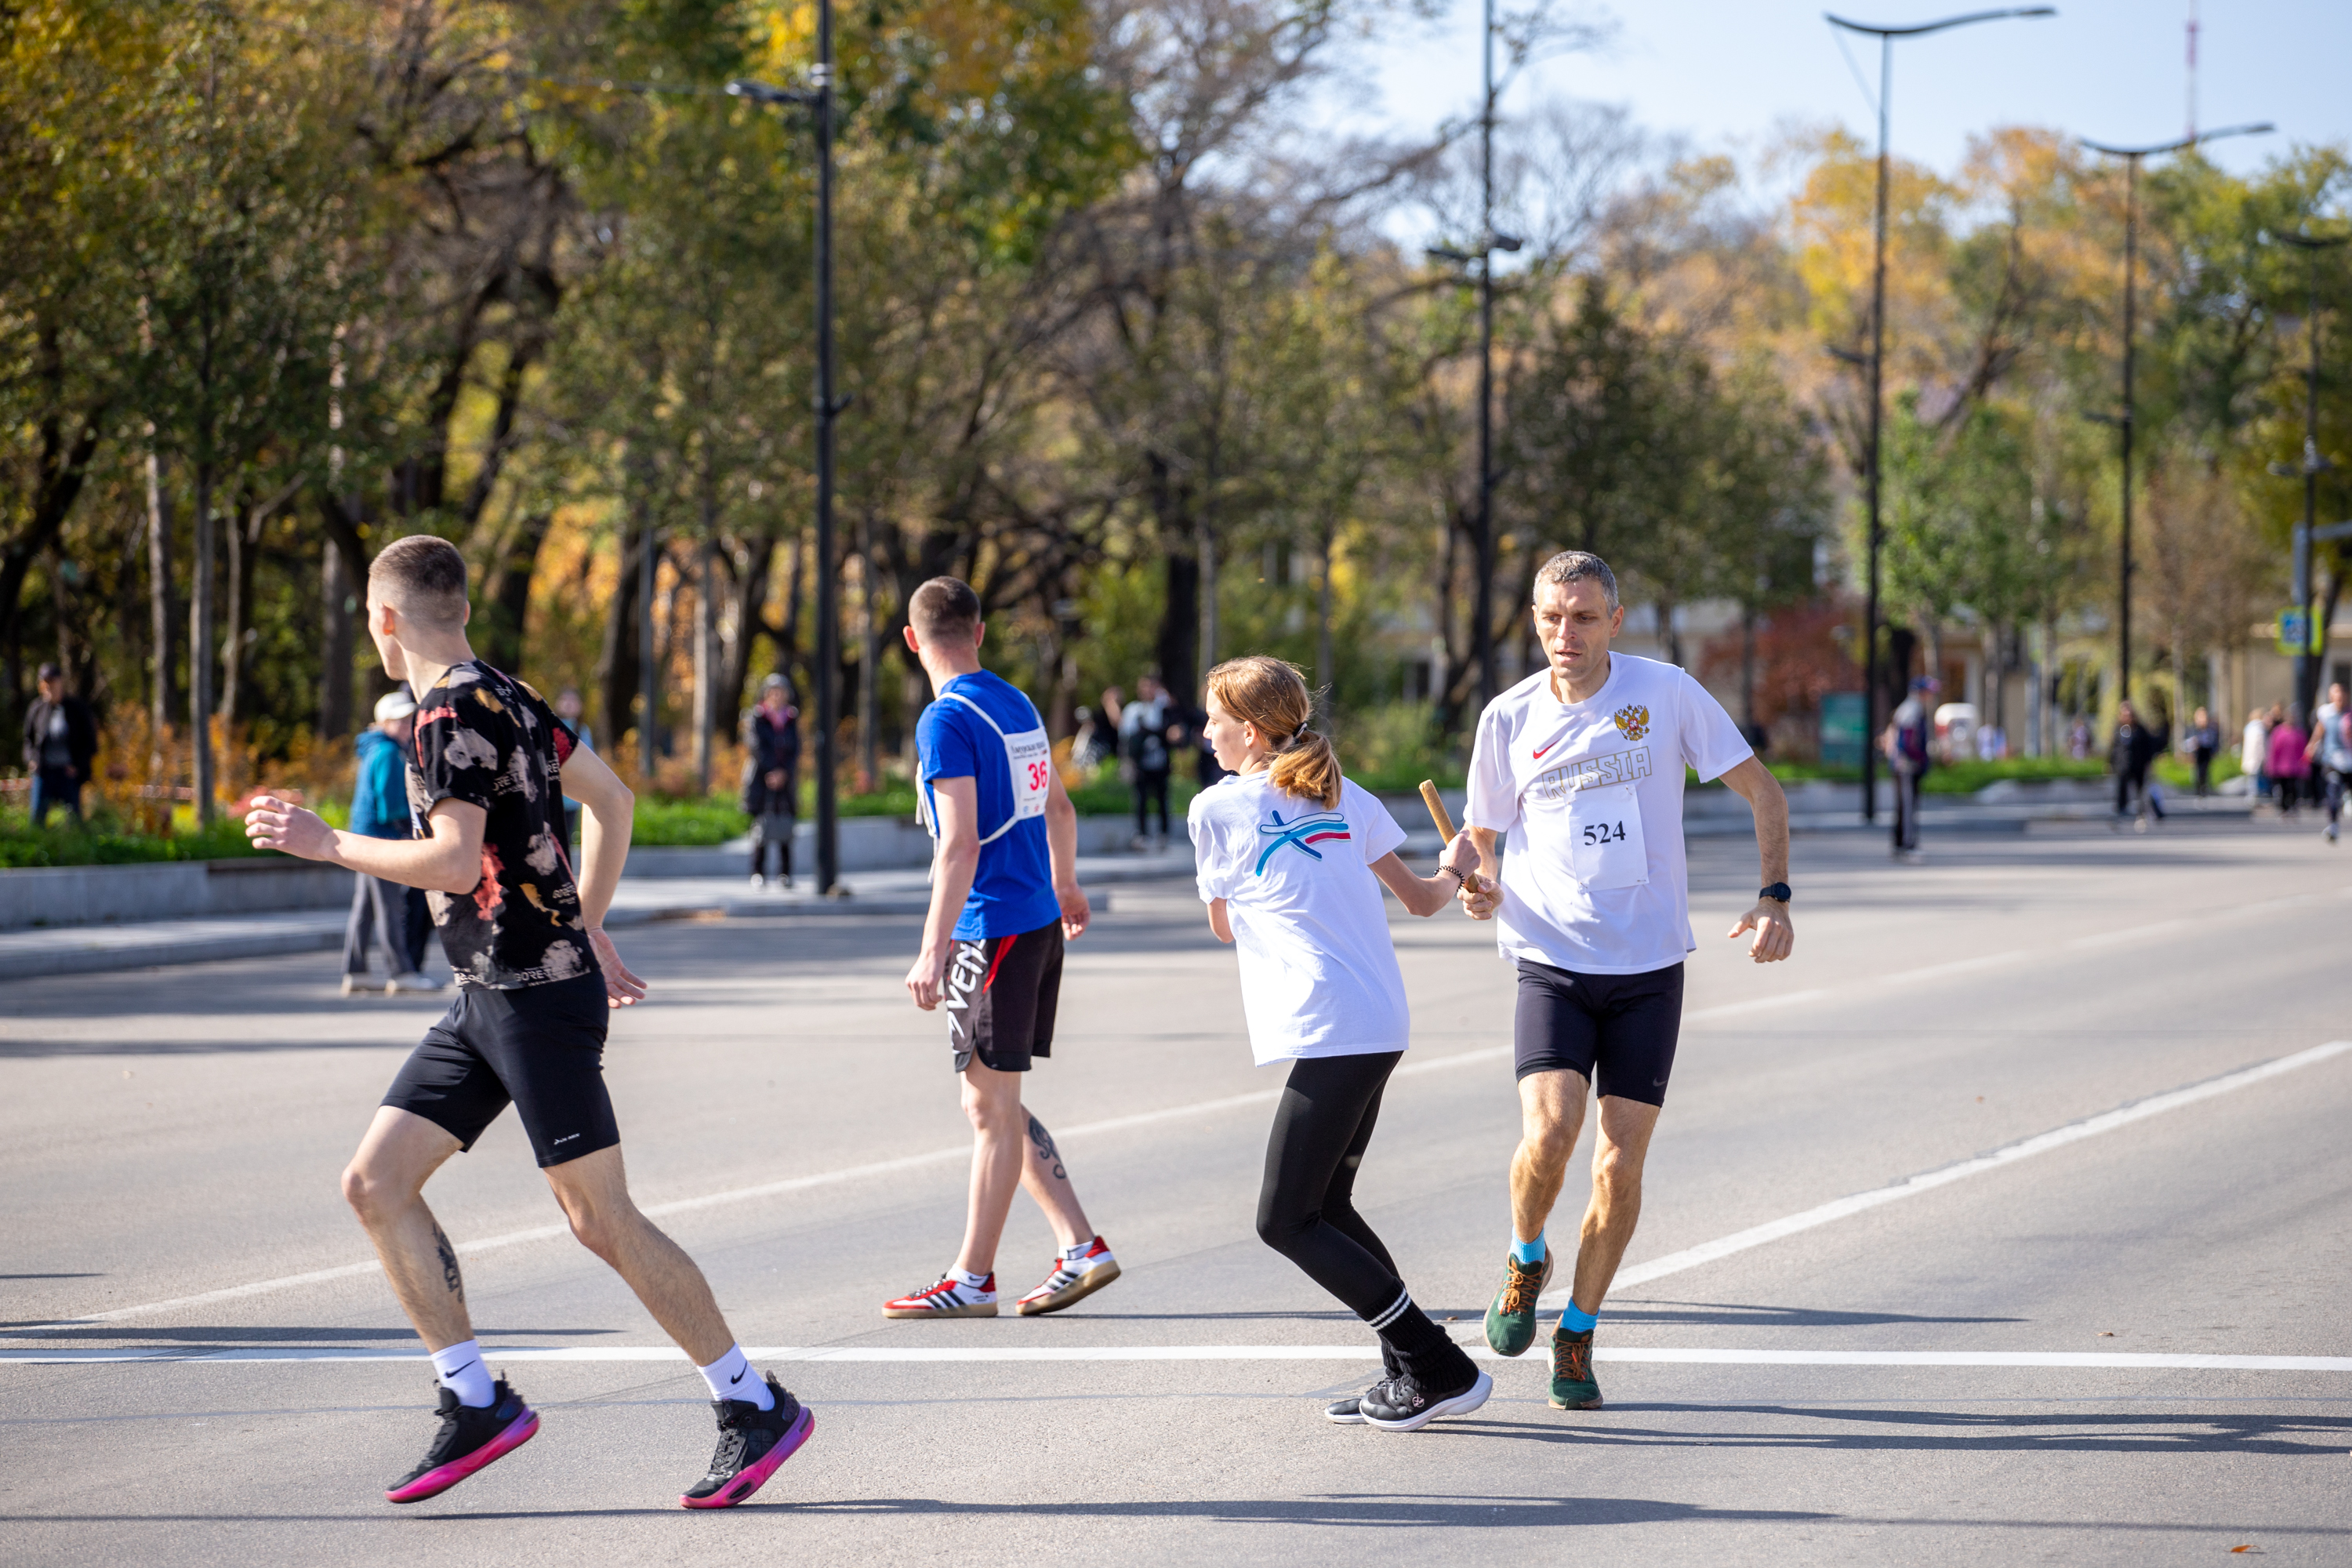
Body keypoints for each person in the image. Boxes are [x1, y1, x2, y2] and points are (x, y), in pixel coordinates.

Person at [243, 535, 812, 1510]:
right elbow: (614, 801)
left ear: (386, 619)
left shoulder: (444, 715)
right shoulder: (505, 692)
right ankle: (475, 1399)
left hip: (534, 1000)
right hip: (487, 993)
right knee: (375, 1182)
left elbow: (457, 861)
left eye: (368, 619)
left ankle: (752, 1401)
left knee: (601, 1219)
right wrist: (584, 923)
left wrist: (329, 842)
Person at [1456, 550, 1794, 1414]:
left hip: (1648, 966)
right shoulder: (1508, 716)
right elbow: (1482, 836)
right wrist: (1476, 877)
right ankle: (1526, 1253)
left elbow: (1763, 791)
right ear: (1533, 618)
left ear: (1615, 617)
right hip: (1552, 958)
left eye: (1582, 617)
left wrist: (1773, 896)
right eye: (1549, 617)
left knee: (1619, 1163)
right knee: (1552, 1132)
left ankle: (1578, 1330)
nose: (1563, 634)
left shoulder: (1667, 691)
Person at [1189, 655, 1494, 1431]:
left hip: (1330, 1024)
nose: (1206, 732)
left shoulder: (1217, 810)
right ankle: (1406, 1368)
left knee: (1284, 1218)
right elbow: (1426, 899)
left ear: (1250, 730)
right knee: (1328, 1203)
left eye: (1214, 720)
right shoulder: (1341, 794)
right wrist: (1457, 864)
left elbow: (1223, 923)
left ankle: (1436, 1363)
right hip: (1377, 1019)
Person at [891, 575, 1120, 1320]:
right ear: (981, 633)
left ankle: (973, 1278)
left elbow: (957, 845)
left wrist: (932, 948)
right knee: (993, 1100)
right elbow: (1058, 802)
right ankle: (1079, 1244)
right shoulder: (1016, 702)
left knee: (989, 1107)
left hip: (990, 929)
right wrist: (1068, 885)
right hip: (1034, 920)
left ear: (912, 640)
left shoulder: (943, 721)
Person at [342, 689, 441, 997]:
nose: (406, 724)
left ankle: (355, 971)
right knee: (389, 907)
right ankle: (401, 972)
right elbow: (390, 804)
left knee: (366, 909)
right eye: (399, 720)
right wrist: (408, 832)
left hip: (365, 837)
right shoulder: (387, 752)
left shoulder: (376, 748)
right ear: (383, 722)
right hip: (380, 838)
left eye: (408, 718)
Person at [22, 662, 97, 826]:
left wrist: (78, 765)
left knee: (74, 820)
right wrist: (32, 760)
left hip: (68, 773)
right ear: (41, 685)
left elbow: (90, 742)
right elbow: (28, 741)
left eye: (53, 682)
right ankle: (38, 850)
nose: (50, 687)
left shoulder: (76, 708)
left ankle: (76, 850)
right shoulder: (37, 709)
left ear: (60, 682)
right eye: (46, 683)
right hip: (44, 772)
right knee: (37, 820)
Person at [742, 674, 800, 888]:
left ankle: (785, 873)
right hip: (762, 779)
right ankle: (758, 872)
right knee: (762, 827)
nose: (777, 696)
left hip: (785, 780)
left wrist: (784, 773)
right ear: (766, 694)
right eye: (773, 692)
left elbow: (795, 749)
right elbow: (756, 746)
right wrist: (771, 771)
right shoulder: (757, 717)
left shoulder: (791, 718)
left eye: (781, 692)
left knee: (785, 824)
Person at [1120, 674, 1176, 849]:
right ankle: (1141, 835)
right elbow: (1126, 735)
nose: (1148, 690)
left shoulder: (1164, 709)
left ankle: (1163, 835)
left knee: (1162, 799)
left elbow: (1173, 728)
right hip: (1141, 763)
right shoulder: (1133, 710)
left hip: (1160, 762)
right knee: (1141, 800)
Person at [1882, 676, 1934, 859]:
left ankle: (1900, 844)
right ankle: (1907, 844)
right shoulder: (1912, 710)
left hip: (1904, 765)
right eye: (1928, 692)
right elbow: (1908, 741)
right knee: (1907, 806)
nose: (1931, 696)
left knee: (1904, 805)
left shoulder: (1909, 708)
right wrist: (1921, 758)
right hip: (1906, 766)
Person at [2305, 683, 2352, 844]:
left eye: (2341, 694)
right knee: (2333, 790)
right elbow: (2320, 730)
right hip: (2332, 760)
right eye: (2335, 694)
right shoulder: (2326, 713)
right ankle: (2333, 825)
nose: (2339, 698)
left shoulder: (2350, 714)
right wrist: (2311, 746)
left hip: (2350, 760)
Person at [2110, 701, 2165, 829]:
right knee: (2121, 788)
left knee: (2141, 789)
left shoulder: (2140, 730)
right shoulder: (2118, 730)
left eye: (2129, 714)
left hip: (2138, 764)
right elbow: (2114, 748)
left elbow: (2148, 747)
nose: (2127, 716)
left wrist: (2149, 762)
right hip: (2123, 765)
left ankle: (2142, 811)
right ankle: (2121, 809)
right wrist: (2112, 762)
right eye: (2124, 714)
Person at [554, 687, 593, 850]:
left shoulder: (583, 730)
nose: (569, 704)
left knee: (567, 838)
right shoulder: (553, 727)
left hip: (573, 798)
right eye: (565, 700)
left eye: (573, 701)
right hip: (555, 792)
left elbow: (590, 760)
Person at [2267, 705, 2309, 818]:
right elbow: (2274, 750)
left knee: (2294, 788)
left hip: (2295, 767)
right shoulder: (2278, 732)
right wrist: (2271, 765)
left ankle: (2293, 807)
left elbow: (2304, 751)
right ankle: (2284, 809)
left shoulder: (2299, 733)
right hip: (2281, 767)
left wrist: (2305, 766)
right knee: (2283, 789)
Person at [2180, 706, 2220, 800]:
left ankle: (2204, 787)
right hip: (2197, 751)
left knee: (2205, 770)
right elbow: (2186, 742)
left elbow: (2214, 741)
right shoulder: (2192, 729)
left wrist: (2214, 750)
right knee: (2198, 771)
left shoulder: (2211, 729)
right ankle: (2198, 788)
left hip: (2206, 751)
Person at [2244, 707, 2272, 804]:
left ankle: (2252, 796)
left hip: (2249, 757)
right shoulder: (2260, 729)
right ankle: (2255, 796)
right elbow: (2260, 745)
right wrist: (2264, 757)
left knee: (2252, 778)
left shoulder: (2249, 728)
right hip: (2256, 757)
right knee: (2257, 778)